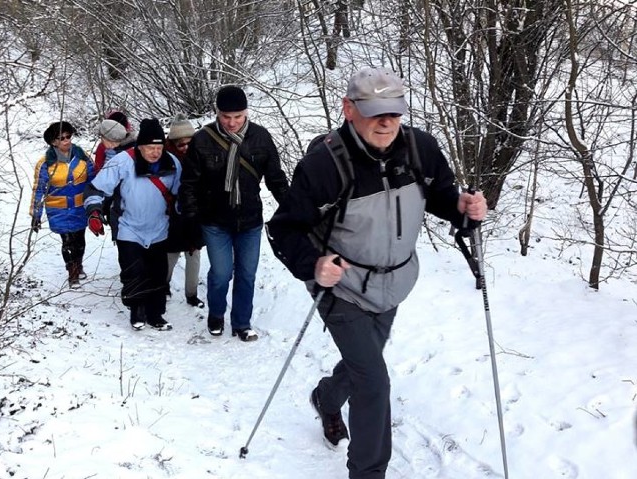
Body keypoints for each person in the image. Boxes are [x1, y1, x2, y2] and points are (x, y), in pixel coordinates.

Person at [266, 67, 488, 478]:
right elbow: (283, 229)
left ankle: (327, 398)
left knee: (362, 365)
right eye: (375, 112)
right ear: (349, 109)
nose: (387, 122)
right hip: (342, 287)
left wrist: (463, 208)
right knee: (374, 383)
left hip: (394, 283)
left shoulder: (420, 148)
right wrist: (314, 265)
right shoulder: (324, 166)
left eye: (395, 112)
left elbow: (440, 195)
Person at [179, 85, 289, 341]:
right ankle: (216, 313)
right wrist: (192, 221)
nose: (232, 122)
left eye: (238, 116)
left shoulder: (261, 137)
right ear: (217, 113)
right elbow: (190, 184)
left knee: (247, 274)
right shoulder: (203, 139)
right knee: (221, 273)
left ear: (246, 113)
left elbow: (276, 179)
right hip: (214, 220)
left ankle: (241, 323)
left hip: (249, 219)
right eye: (226, 117)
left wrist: (293, 209)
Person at [84, 118, 181, 331]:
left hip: (158, 228)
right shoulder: (122, 161)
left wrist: (186, 212)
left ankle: (156, 314)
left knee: (157, 273)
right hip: (129, 226)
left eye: (159, 147)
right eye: (150, 148)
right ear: (139, 146)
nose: (155, 152)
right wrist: (94, 212)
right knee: (133, 271)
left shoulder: (172, 163)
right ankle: (137, 310)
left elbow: (181, 194)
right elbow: (96, 189)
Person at [31, 120, 95, 288]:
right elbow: (38, 189)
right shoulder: (45, 164)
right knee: (67, 240)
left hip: (80, 207)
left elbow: (94, 180)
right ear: (54, 142)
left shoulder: (83, 157)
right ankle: (72, 272)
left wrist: (98, 204)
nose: (67, 140)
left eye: (69, 136)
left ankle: (78, 263)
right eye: (62, 138)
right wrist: (35, 214)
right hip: (58, 209)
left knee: (79, 240)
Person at [164, 115, 204, 308]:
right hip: (173, 216)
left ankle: (192, 294)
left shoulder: (200, 157)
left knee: (194, 255)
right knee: (171, 254)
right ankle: (163, 286)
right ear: (173, 144)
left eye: (189, 143)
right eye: (181, 145)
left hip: (195, 213)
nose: (186, 148)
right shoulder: (166, 160)